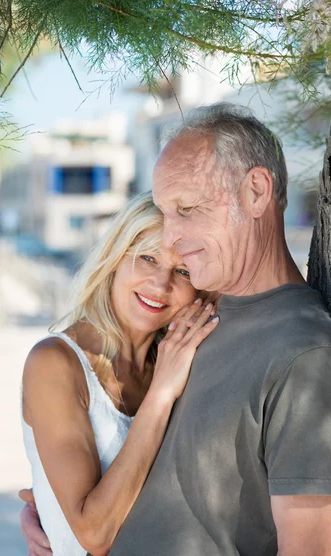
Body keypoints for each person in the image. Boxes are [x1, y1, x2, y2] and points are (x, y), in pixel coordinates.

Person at [22, 103, 331, 556]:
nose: (169, 238)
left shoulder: (305, 355)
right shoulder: (196, 318)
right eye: (166, 212)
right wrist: (49, 510)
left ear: (256, 192)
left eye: (187, 209)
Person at [20, 191, 219, 556]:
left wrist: (42, 501)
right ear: (114, 257)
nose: (161, 284)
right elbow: (95, 535)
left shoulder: (185, 358)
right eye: (147, 258)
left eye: (183, 271)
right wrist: (161, 394)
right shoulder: (55, 363)